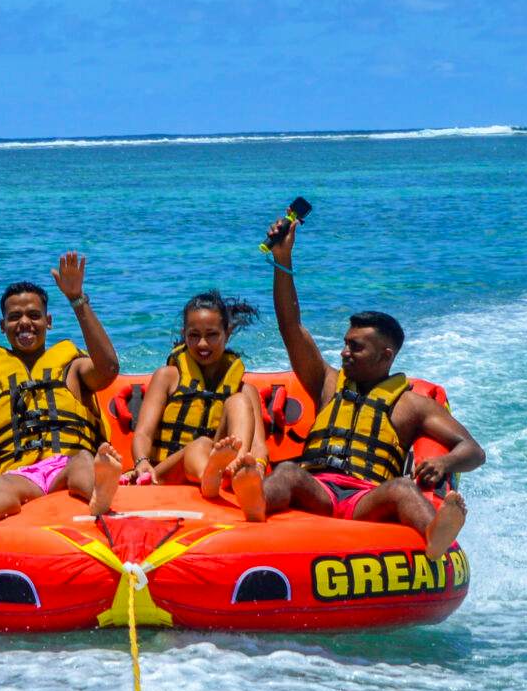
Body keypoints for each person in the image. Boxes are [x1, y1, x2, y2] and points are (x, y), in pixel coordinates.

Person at [256, 213, 483, 561]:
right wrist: (282, 261)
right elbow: (291, 326)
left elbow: (472, 450)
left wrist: (445, 463)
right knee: (286, 472)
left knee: (403, 489)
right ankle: (252, 508)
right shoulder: (327, 382)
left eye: (356, 347)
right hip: (318, 488)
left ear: (386, 355)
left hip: (366, 498)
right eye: (345, 344)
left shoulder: (412, 405)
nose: (345, 352)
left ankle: (436, 536)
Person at [0, 252, 124, 519]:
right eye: (15, 317)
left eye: (34, 315)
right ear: (2, 326)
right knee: (2, 486)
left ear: (48, 322)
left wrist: (77, 300)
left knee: (84, 461)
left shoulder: (73, 369)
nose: (25, 322)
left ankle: (100, 496)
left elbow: (109, 369)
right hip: (20, 474)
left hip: (68, 462)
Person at [128, 290, 268, 519]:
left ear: (228, 333)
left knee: (239, 401)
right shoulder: (167, 377)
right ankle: (209, 476)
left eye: (212, 334)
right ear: (184, 334)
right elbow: (143, 433)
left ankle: (238, 471)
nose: (202, 343)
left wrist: (259, 465)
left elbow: (259, 445)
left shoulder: (245, 389)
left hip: (220, 470)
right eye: (194, 335)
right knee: (200, 444)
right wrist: (142, 462)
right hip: (167, 473)